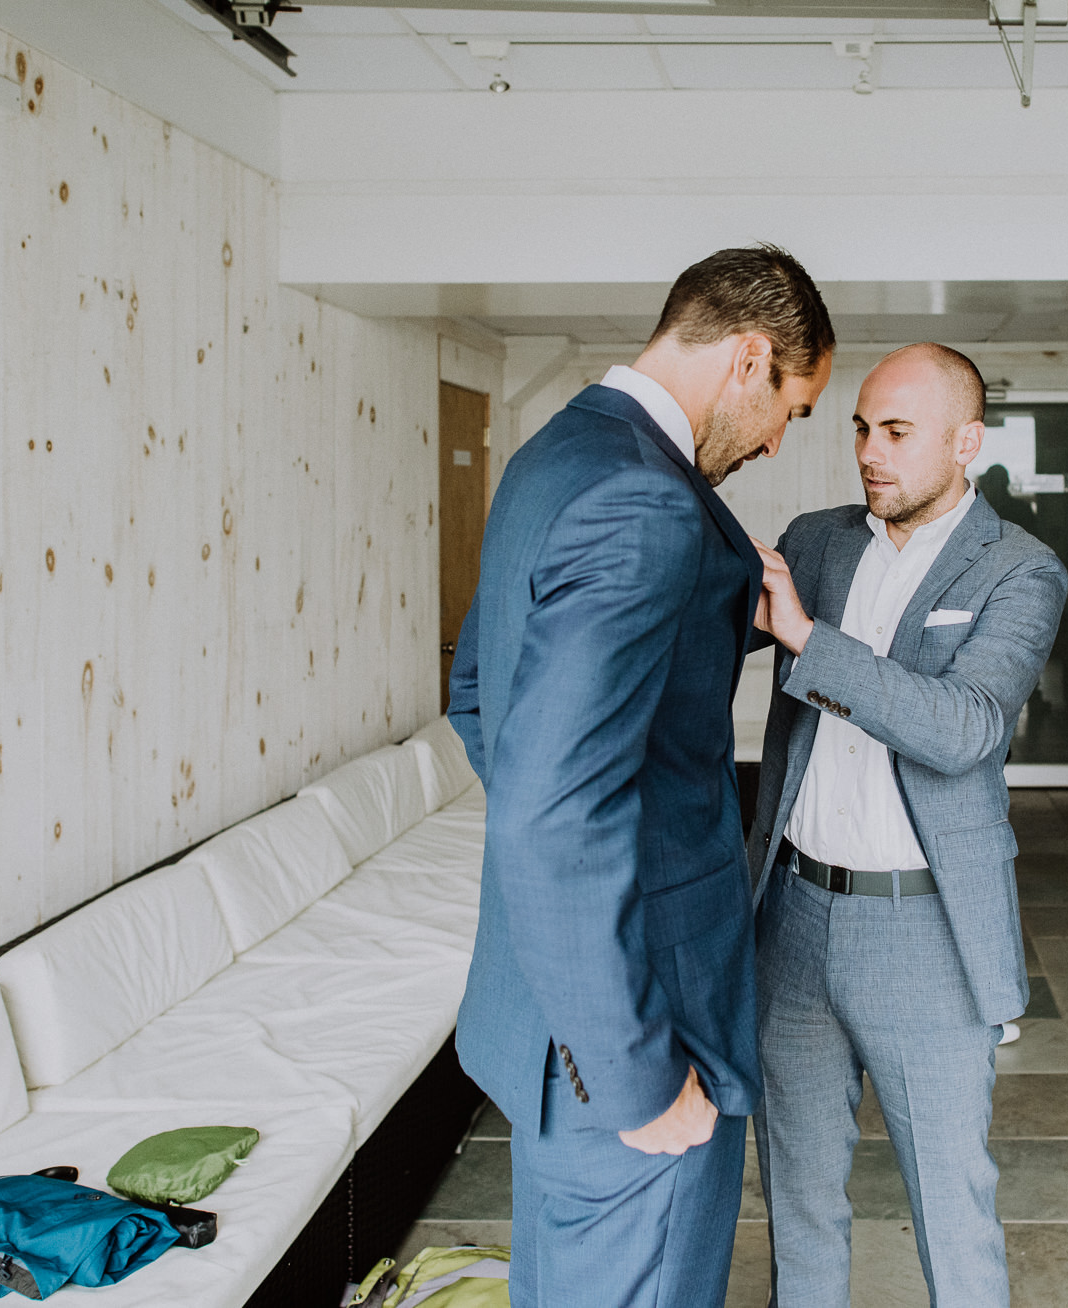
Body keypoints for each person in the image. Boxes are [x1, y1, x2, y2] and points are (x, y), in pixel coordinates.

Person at [446, 245, 835, 1308]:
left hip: (545, 1017)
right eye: (791, 410)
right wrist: (635, 1071)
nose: (774, 442)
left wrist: (729, 622)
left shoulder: (556, 455)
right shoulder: (646, 502)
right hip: (632, 1039)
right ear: (749, 357)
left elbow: (480, 696)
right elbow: (552, 811)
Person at [744, 343, 1066, 1307]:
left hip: (923, 931)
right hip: (791, 914)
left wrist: (807, 638)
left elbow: (963, 729)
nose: (869, 453)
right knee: (796, 1201)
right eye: (859, 429)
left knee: (951, 1207)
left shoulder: (1021, 569)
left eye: (896, 432)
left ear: (966, 441)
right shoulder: (818, 539)